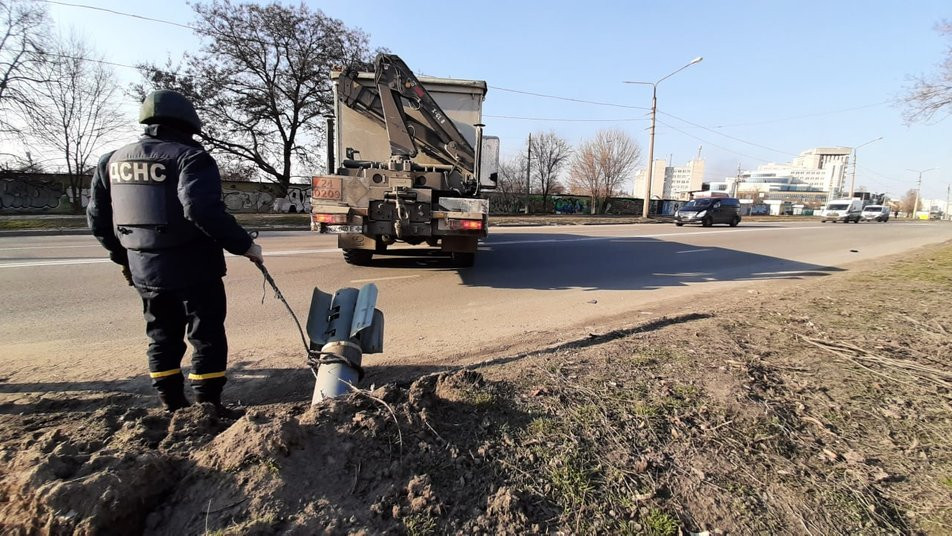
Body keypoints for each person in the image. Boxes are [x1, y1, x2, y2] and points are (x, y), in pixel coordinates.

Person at [87, 89, 263, 414]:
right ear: (189, 122)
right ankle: (208, 405)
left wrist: (125, 259)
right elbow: (200, 209)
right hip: (195, 267)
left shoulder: (111, 161)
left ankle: (172, 404)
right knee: (205, 332)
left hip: (144, 269)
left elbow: (98, 219)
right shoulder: (190, 157)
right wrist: (245, 245)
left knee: (161, 334)